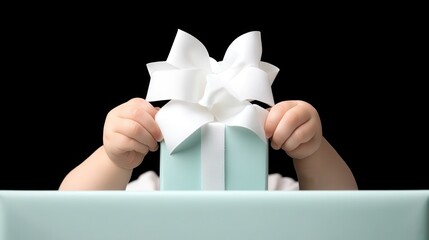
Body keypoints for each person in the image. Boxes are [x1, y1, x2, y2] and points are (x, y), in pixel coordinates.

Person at [59, 97, 358, 191]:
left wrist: (313, 151)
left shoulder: (275, 192)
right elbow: (66, 219)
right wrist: (111, 159)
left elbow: (346, 219)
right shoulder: (150, 191)